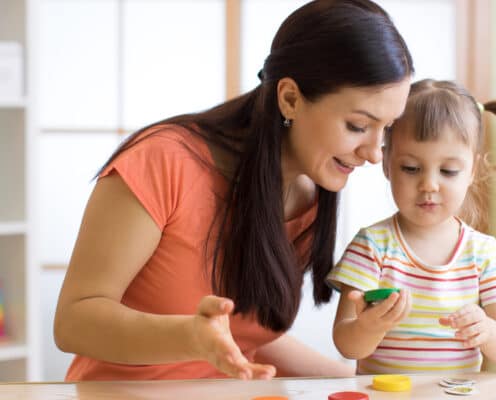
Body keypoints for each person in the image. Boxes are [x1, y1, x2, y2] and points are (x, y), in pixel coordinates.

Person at [53, 0, 413, 381]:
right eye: (358, 125)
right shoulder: (163, 162)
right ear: (290, 98)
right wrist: (189, 336)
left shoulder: (309, 191)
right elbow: (74, 321)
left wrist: (357, 384)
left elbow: (241, 337)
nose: (375, 154)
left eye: (387, 129)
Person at [327, 79, 496, 374]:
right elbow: (346, 344)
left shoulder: (483, 252)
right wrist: (368, 327)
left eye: (448, 171)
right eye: (411, 168)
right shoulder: (372, 245)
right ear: (387, 165)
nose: (429, 185)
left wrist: (488, 330)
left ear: (472, 170)